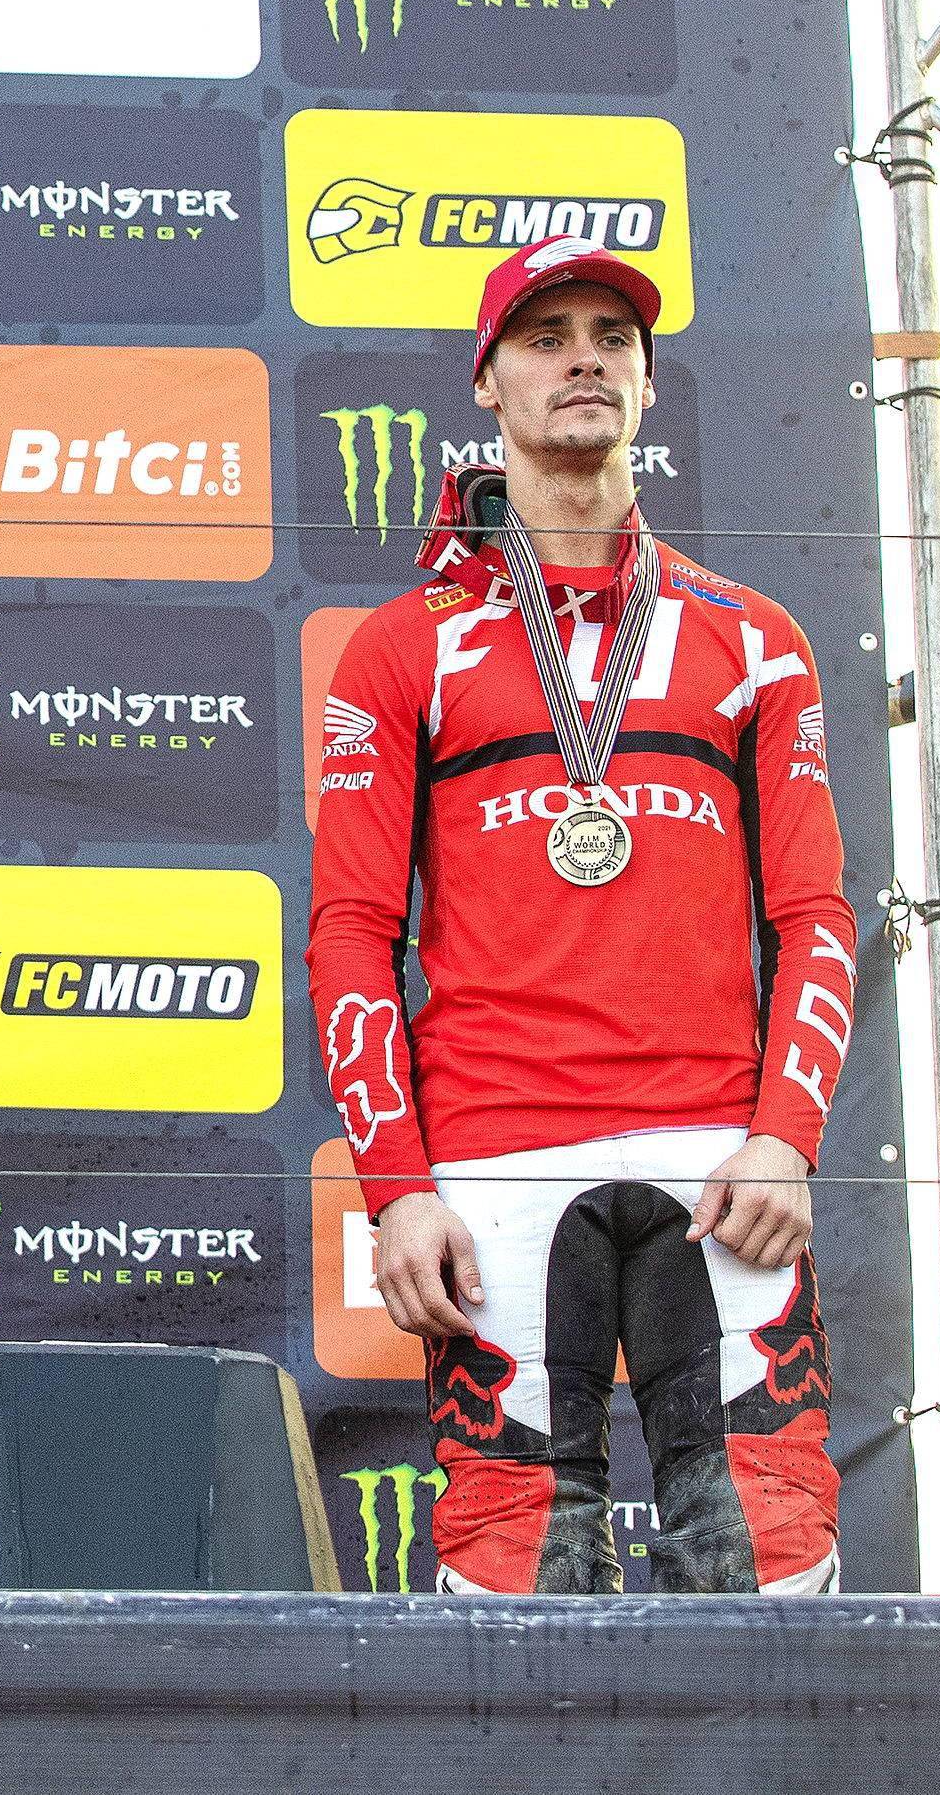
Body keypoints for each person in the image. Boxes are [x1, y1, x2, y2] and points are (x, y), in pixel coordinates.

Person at [308, 234, 857, 1593]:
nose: (584, 361)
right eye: (546, 339)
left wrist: (786, 1140)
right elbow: (351, 936)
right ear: (486, 382)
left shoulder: (756, 638)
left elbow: (815, 916)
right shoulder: (405, 646)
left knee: (768, 1559)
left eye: (614, 338)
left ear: (650, 383)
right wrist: (399, 1190)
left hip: (722, 1160)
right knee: (513, 1572)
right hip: (492, 1160)